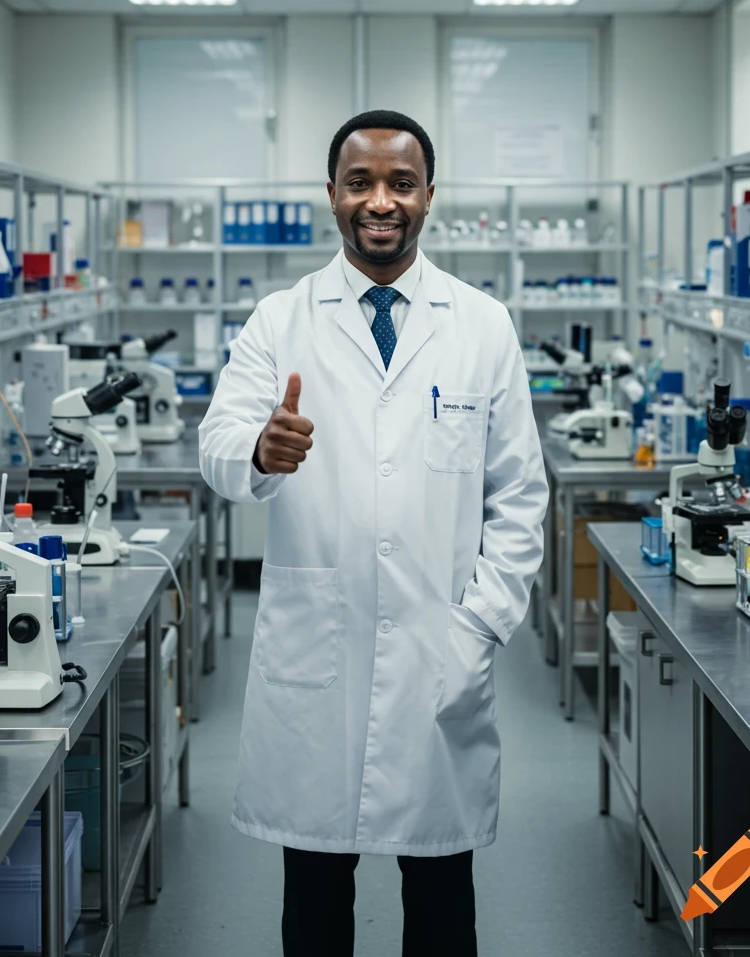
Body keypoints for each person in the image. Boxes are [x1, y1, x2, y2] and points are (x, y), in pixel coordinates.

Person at [199, 109, 548, 956]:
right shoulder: (282, 319)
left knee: (441, 902)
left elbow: (520, 494)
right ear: (332, 194)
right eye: (360, 183)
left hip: (441, 652)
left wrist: (479, 626)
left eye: (401, 183)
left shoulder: (480, 323)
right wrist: (258, 446)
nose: (380, 201)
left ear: (431, 196)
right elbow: (215, 444)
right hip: (319, 657)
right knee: (315, 905)